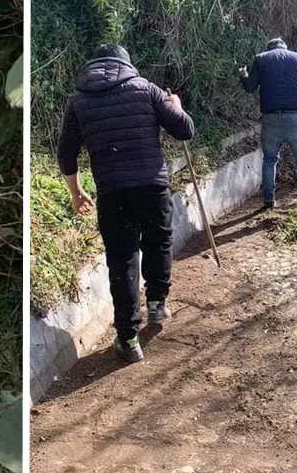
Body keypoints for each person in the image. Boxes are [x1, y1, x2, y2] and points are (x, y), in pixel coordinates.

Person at [57, 44, 195, 363]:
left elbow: (66, 153)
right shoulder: (146, 89)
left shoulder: (78, 101)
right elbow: (184, 130)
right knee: (159, 244)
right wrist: (176, 105)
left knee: (122, 261)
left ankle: (128, 338)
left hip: (112, 191)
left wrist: (76, 193)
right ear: (125, 64)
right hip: (152, 186)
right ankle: (157, 306)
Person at [239, 37, 297, 213]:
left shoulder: (260, 58)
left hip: (271, 119)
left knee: (270, 160)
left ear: (269, 48)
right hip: (296, 117)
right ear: (285, 48)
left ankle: (269, 201)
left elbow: (249, 87)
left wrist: (243, 75)